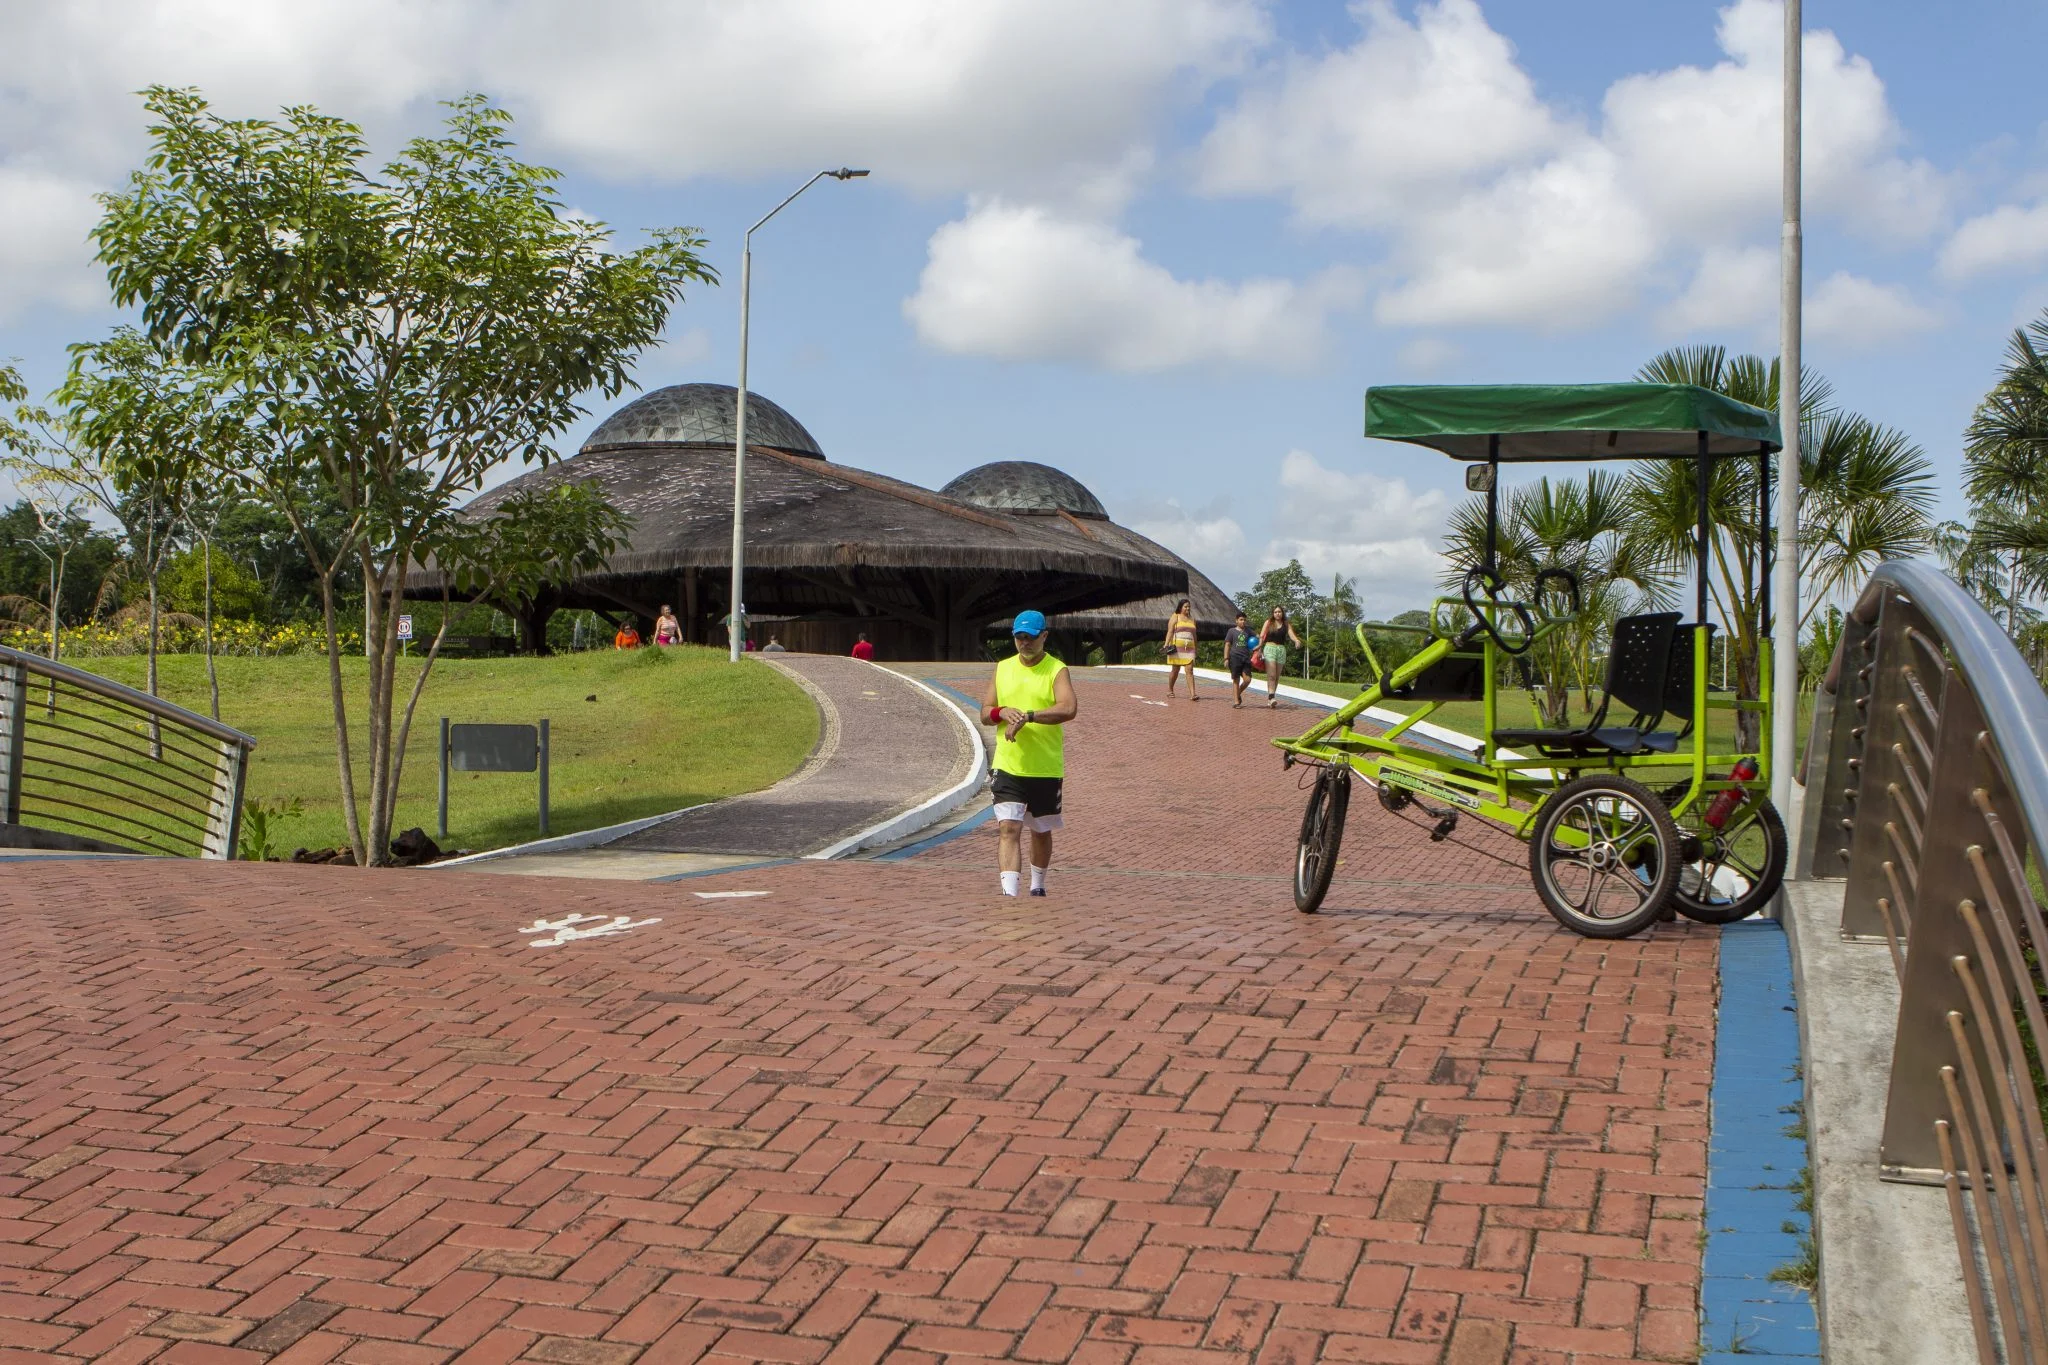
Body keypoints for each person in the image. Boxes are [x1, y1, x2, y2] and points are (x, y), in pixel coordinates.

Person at [979, 610, 1077, 898]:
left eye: (1031, 637)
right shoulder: (1003, 667)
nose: (1025, 643)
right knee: (1009, 827)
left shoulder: (1056, 669)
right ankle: (1010, 895)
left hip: (1044, 767)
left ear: (1044, 636)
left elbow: (1068, 708)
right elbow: (985, 713)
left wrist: (1029, 717)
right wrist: (1002, 712)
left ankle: (1038, 884)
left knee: (1040, 830)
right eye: (1019, 637)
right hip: (1009, 765)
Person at [1258, 605, 1301, 708]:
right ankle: (1272, 697)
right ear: (1273, 613)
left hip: (1281, 650)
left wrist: (1296, 641)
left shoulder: (1286, 624)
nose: (1277, 613)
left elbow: (1292, 635)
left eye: (1279, 612)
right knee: (1271, 675)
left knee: (1276, 677)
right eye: (1275, 612)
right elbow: (1261, 636)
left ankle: (1271, 698)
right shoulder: (1268, 622)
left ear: (1282, 613)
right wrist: (1259, 649)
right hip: (1270, 648)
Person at [1163, 598, 1200, 701]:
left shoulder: (1192, 619)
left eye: (1189, 607)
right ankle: (1170, 689)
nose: (1188, 608)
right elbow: (1170, 631)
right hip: (1177, 648)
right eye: (1186, 606)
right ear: (1180, 607)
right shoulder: (1175, 617)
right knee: (1175, 670)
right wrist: (1166, 644)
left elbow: (1194, 634)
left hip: (1189, 648)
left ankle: (1193, 694)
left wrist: (1196, 648)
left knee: (1190, 670)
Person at [1224, 610, 1257, 707]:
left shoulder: (1248, 631)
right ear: (1236, 621)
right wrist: (1226, 658)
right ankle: (1236, 702)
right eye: (1241, 620)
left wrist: (1259, 646)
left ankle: (1237, 694)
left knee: (1247, 680)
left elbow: (1257, 637)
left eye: (1244, 620)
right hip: (1234, 658)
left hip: (1246, 658)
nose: (1243, 622)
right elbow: (1227, 644)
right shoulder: (1232, 631)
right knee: (1236, 679)